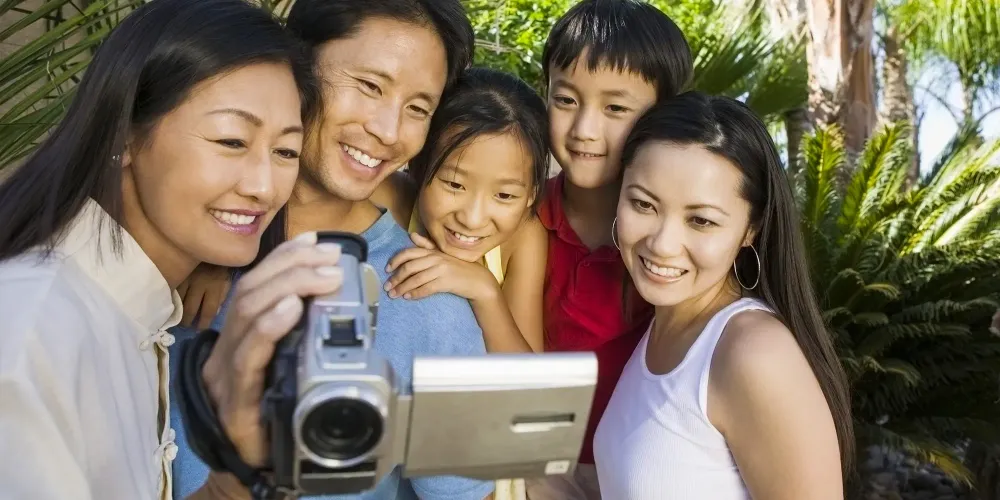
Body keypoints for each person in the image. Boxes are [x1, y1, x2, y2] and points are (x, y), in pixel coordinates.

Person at [0, 1, 329, 499]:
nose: (265, 187)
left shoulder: (138, 315)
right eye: (231, 140)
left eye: (285, 151)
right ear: (125, 135)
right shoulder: (31, 333)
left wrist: (240, 472)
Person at [169, 1, 496, 500]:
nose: (389, 131)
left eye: (417, 108)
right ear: (295, 66)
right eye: (370, 85)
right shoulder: (180, 251)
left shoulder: (424, 297)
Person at [593, 91, 855, 499]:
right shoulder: (657, 329)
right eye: (643, 204)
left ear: (751, 228)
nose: (663, 243)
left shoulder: (753, 353)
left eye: (700, 220)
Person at [528, 1, 693, 498]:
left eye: (616, 108)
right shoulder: (520, 217)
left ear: (662, 116)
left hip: (645, 468)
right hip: (538, 464)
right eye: (566, 100)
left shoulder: (672, 245)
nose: (585, 130)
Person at [380, 67, 550, 354]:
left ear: (531, 194)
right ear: (418, 166)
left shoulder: (522, 236)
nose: (472, 219)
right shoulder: (388, 198)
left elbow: (526, 379)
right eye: (454, 184)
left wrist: (485, 291)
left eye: (505, 195)